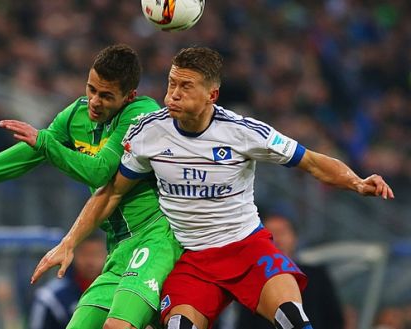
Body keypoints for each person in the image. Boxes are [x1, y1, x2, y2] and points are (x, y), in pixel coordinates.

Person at [31, 46, 394, 329]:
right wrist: (70, 242)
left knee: (292, 317)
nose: (173, 94)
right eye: (171, 83)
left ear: (212, 95)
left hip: (246, 247)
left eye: (185, 86)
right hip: (191, 259)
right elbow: (110, 192)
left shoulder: (243, 132)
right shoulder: (148, 133)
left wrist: (357, 182)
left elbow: (313, 162)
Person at [0, 44, 183, 329]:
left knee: (118, 326)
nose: (94, 102)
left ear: (129, 96)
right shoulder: (76, 115)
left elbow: (98, 172)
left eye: (106, 96)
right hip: (118, 247)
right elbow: (28, 154)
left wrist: (45, 141)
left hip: (155, 237)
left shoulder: (143, 114)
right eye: (91, 90)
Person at [231, 213, 344, 329]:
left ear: (295, 237)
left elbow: (333, 319)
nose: (277, 239)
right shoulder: (252, 282)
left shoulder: (317, 277)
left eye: (282, 232)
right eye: (270, 234)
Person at [29, 233, 107, 329]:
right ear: (73, 254)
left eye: (96, 254)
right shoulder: (51, 297)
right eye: (84, 254)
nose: (90, 261)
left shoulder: (118, 292)